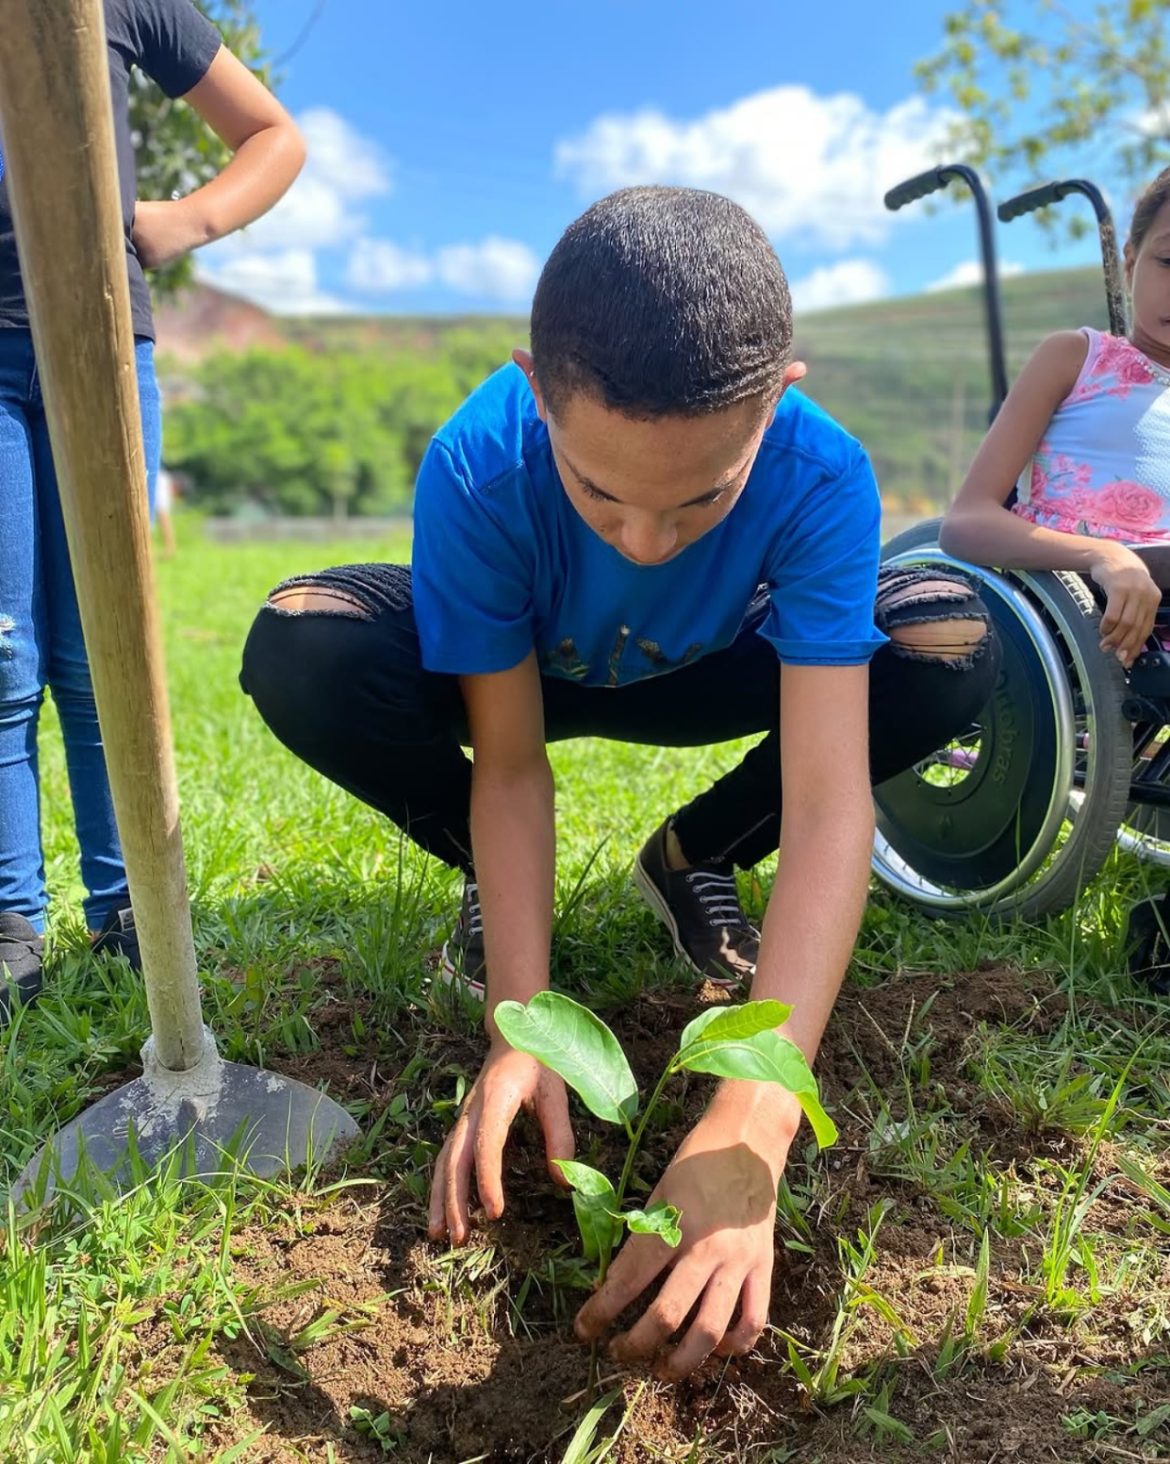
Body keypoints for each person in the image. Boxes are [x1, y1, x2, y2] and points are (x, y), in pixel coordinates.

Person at [240, 187, 997, 1379]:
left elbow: (828, 798)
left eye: (704, 495)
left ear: (779, 398)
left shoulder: (822, 475)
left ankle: (692, 856)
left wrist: (755, 1113)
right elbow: (512, 763)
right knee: (304, 640)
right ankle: (500, 897)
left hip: (716, 670)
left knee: (953, 641)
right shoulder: (482, 460)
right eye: (599, 493)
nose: (645, 541)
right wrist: (518, 1028)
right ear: (535, 392)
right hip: (528, 674)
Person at [0, 0, 305, 1021]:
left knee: (103, 648)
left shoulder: (120, 2)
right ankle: (12, 927)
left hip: (101, 340)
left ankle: (126, 907)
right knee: (3, 648)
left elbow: (273, 134)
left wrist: (184, 220)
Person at [940, 166, 1170, 994]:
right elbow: (965, 520)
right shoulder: (1078, 357)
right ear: (1133, 257)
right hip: (1085, 601)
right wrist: (1106, 558)